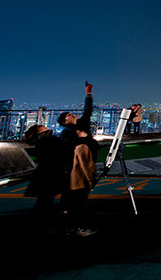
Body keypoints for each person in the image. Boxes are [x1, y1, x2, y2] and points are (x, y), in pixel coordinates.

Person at [57, 82, 100, 237]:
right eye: (68, 115)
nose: (71, 115)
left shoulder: (82, 124)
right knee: (74, 198)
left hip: (85, 164)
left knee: (78, 198)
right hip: (74, 171)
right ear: (64, 122)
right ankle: (72, 227)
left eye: (71, 113)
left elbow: (88, 110)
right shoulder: (67, 134)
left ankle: (70, 225)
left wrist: (88, 94)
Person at [24, 124, 67, 232]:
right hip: (51, 173)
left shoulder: (42, 140)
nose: (44, 126)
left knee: (44, 200)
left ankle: (40, 223)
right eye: (41, 126)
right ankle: (43, 225)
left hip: (45, 173)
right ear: (38, 131)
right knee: (46, 200)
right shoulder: (48, 140)